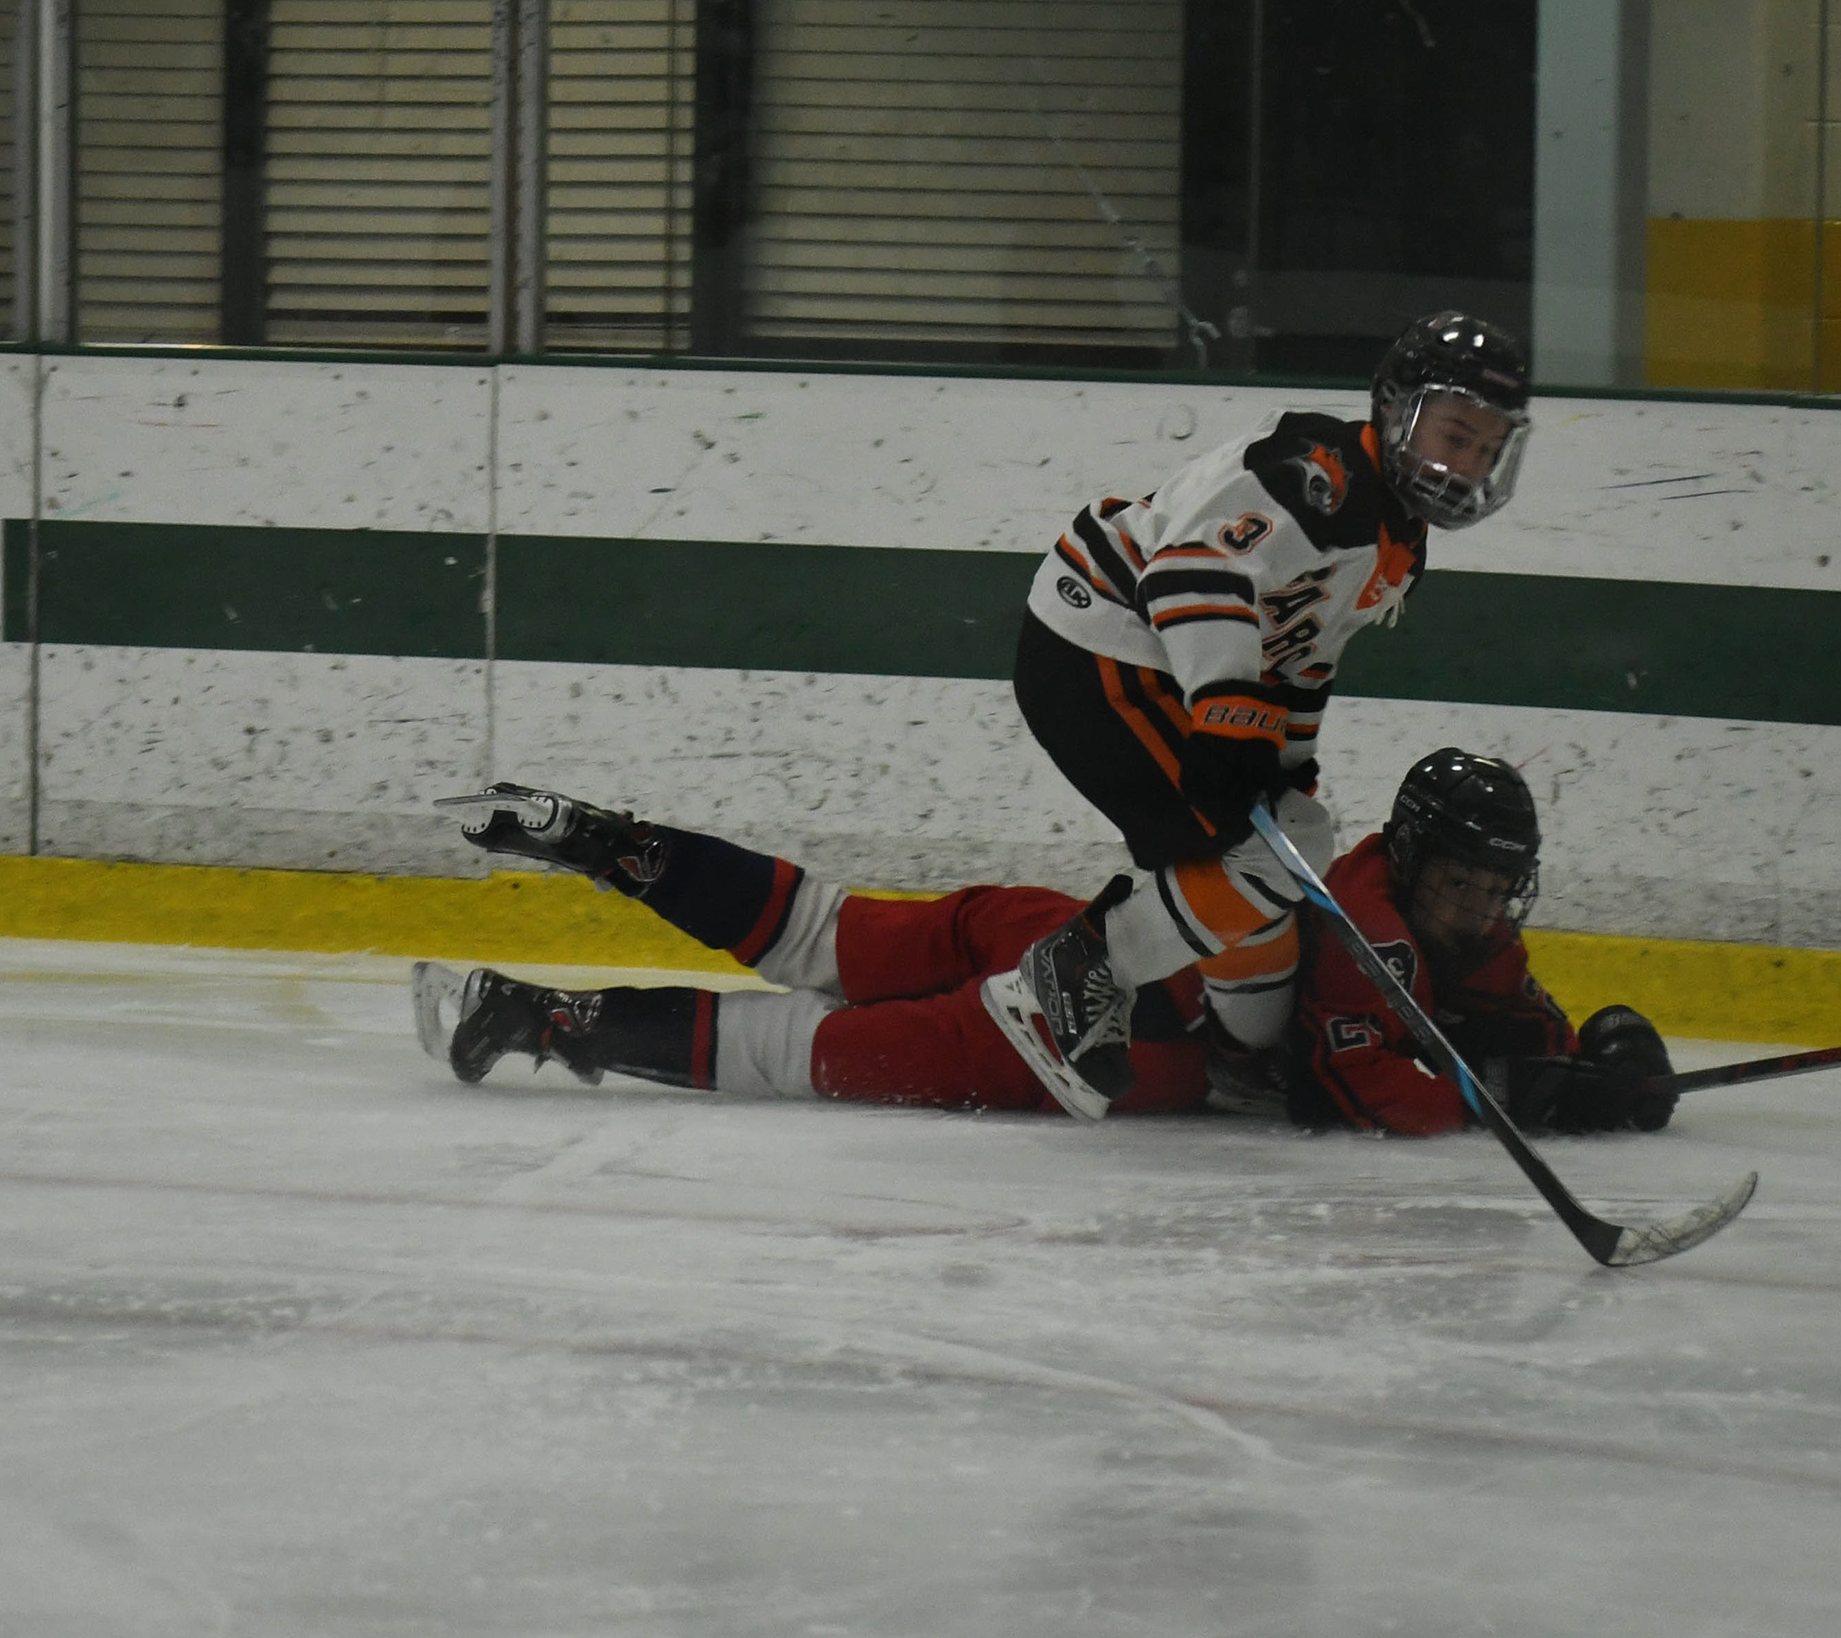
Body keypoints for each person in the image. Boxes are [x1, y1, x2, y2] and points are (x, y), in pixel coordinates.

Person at [416, 750, 1677, 1141]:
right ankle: (539, 1016)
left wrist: (1594, 1053)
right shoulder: (1372, 937)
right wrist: (1523, 1092)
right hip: (1080, 1035)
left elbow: (1507, 1014)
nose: (1480, 908)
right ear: (1409, 862)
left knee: (825, 929)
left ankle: (608, 842)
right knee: (796, 1048)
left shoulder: (1429, 922)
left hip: (1059, 933)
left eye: (1496, 888)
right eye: (1461, 882)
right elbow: (1361, 1096)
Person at [983, 310, 1537, 1121]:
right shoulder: (1318, 474)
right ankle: (1076, 970)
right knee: (1275, 854)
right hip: (1101, 646)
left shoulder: (1400, 545)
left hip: (1157, 668)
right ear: (1395, 409)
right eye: (1455, 436)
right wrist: (1229, 717)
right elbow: (1186, 572)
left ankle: (1242, 1059)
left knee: (1286, 845)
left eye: (1487, 450)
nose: (1465, 467)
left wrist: (1282, 762)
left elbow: (1302, 661)